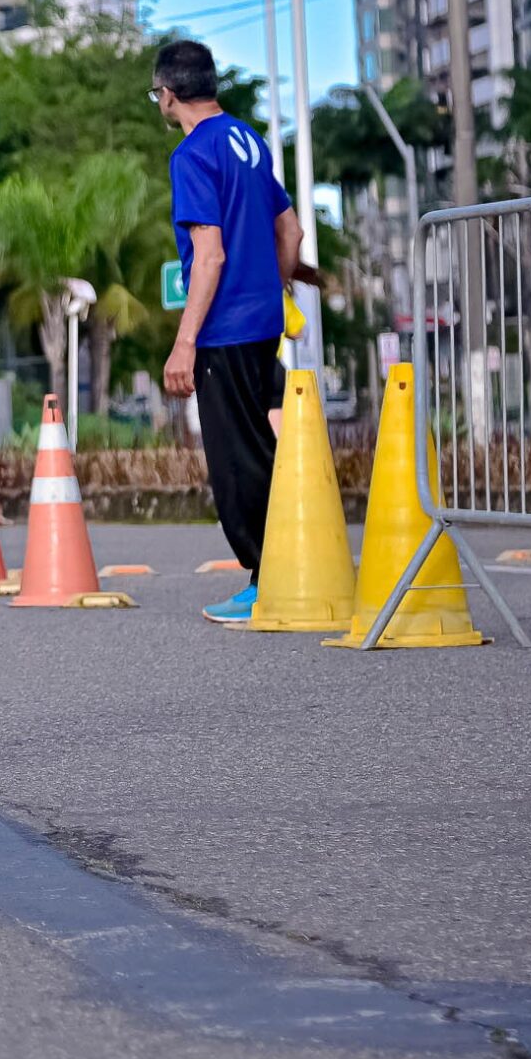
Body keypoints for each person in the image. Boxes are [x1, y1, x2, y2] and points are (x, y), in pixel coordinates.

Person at [151, 40, 307, 626]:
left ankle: (269, 580)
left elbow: (208, 255)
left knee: (235, 459)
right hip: (264, 321)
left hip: (222, 328)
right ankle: (290, 565)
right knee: (264, 447)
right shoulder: (249, 141)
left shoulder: (193, 154)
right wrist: (277, 288)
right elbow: (288, 232)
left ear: (168, 95)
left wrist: (184, 342)